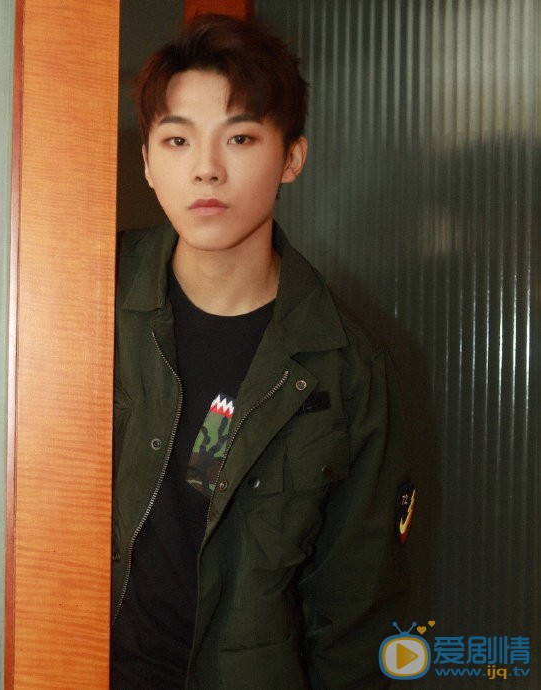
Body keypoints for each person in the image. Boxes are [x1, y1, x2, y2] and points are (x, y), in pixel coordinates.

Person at [111, 13, 412, 689]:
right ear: (148, 162)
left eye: (240, 138)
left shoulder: (348, 369)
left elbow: (355, 614)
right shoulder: (80, 294)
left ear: (292, 158)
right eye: (178, 140)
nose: (206, 169)